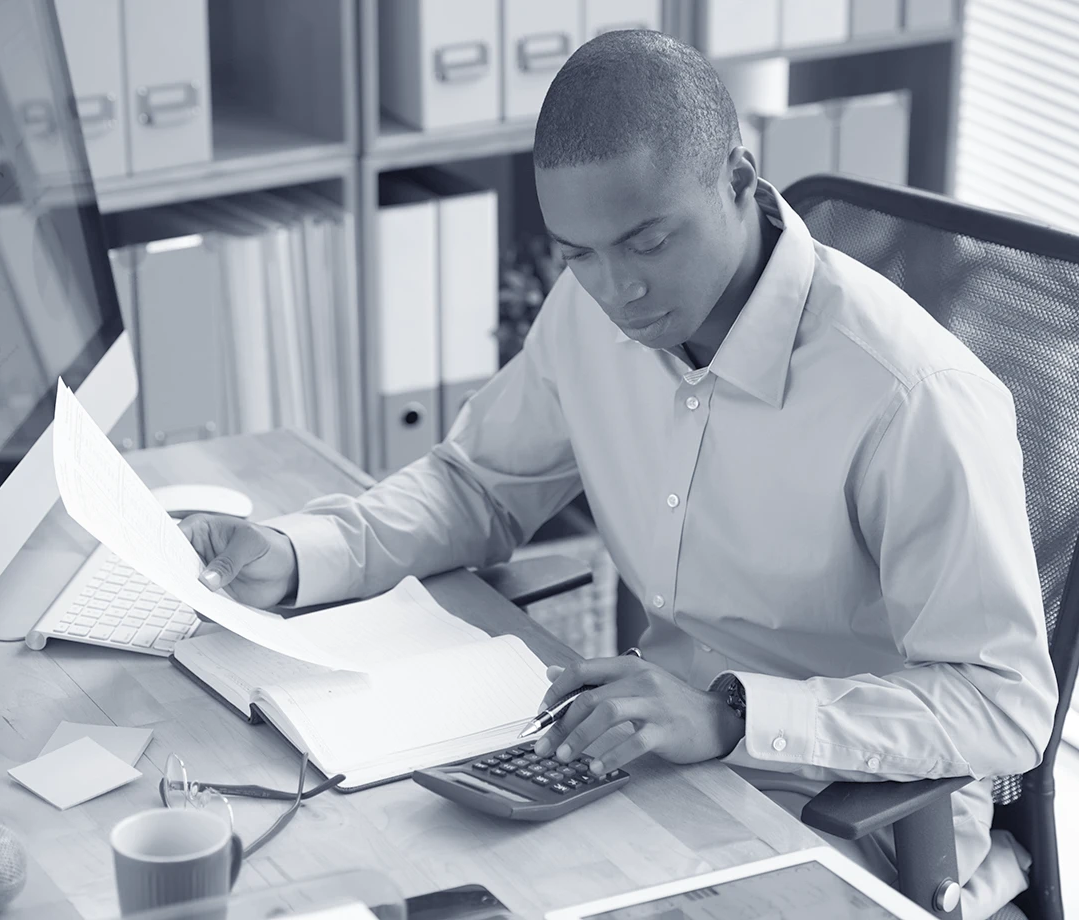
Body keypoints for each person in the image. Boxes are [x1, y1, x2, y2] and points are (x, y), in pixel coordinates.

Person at [182, 31, 1057, 920]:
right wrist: (295, 553)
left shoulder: (911, 398)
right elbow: (478, 484)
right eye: (579, 254)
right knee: (348, 874)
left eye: (648, 243)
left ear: (740, 180)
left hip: (850, 818)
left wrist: (733, 716)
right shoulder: (593, 306)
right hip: (643, 761)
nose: (617, 292)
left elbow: (1004, 708)